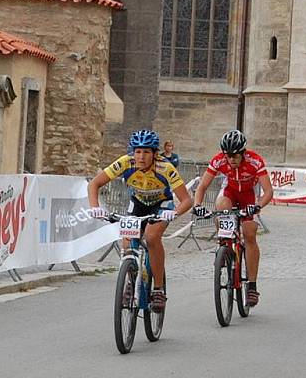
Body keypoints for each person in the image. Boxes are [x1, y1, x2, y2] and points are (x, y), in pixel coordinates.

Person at [87, 129, 193, 312]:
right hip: (137, 203)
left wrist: (174, 213)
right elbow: (94, 184)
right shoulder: (125, 163)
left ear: (154, 153)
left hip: (161, 205)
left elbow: (187, 200)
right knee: (127, 241)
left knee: (152, 238)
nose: (141, 156)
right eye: (137, 151)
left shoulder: (165, 167)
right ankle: (130, 279)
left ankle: (158, 289)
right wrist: (95, 206)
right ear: (132, 152)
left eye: (146, 152)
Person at [192, 129, 273, 307]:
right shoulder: (219, 159)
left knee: (249, 233)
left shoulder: (254, 160)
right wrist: (197, 205)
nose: (231, 159)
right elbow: (203, 185)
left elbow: (268, 191)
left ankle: (251, 285)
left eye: (235, 155)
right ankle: (225, 246)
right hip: (230, 191)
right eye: (228, 155)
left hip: (248, 195)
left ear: (243, 152)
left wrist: (258, 206)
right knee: (221, 208)